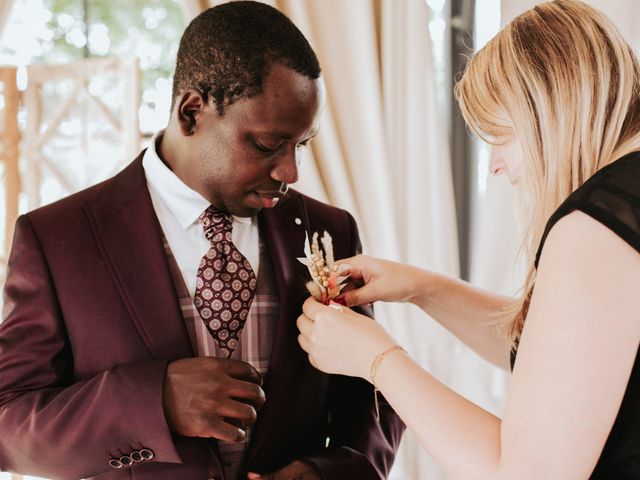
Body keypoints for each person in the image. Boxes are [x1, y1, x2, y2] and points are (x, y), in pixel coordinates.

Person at [0, 2, 404, 479]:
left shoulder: (328, 230)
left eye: (301, 144)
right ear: (192, 112)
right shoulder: (58, 238)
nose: (290, 172)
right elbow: (10, 424)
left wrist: (326, 473)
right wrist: (156, 403)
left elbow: (373, 407)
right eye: (267, 144)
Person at [297, 1, 640, 478]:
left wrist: (377, 360)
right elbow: (566, 364)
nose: (496, 164)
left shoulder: (595, 226)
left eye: (501, 134)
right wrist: (420, 287)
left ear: (548, 111)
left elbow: (527, 473)